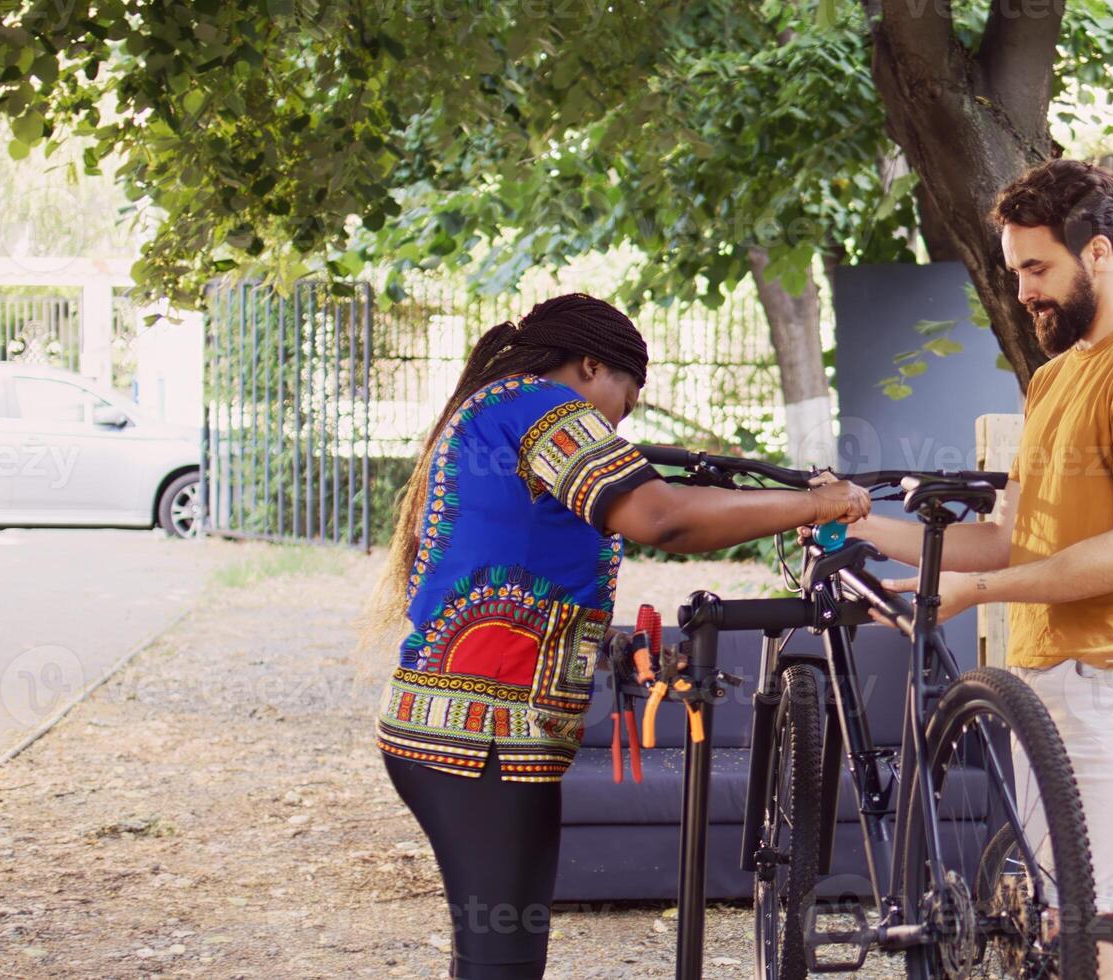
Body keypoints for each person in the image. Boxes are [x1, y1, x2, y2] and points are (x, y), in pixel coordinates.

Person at [362, 293, 870, 980]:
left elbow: (523, 563)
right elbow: (661, 518)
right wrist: (816, 503)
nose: (615, 424)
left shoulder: (498, 410)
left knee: (496, 959)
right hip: (480, 741)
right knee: (501, 964)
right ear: (592, 364)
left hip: (474, 735)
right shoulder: (547, 410)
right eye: (622, 403)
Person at [852, 159, 1113, 980]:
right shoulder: (1053, 379)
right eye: (1015, 271)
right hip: (1048, 679)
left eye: (1036, 269)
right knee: (1067, 924)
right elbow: (1013, 541)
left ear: (1097, 253)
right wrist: (859, 524)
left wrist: (970, 595)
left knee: (1098, 927)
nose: (1022, 291)